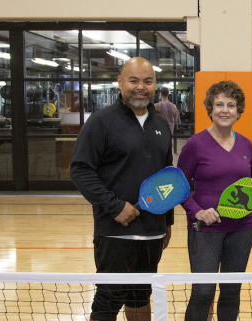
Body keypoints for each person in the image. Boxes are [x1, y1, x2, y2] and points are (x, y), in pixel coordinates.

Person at [69, 57, 174, 321]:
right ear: (120, 82)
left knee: (140, 296)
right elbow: (80, 169)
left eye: (148, 81)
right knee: (108, 299)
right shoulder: (101, 122)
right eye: (134, 80)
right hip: (114, 232)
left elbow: (166, 177)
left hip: (152, 232)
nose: (141, 87)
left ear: (155, 85)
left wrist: (167, 221)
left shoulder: (161, 125)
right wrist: (115, 207)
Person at [177, 80, 252, 321]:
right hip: (206, 230)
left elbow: (251, 183)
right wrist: (197, 211)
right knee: (203, 292)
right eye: (219, 104)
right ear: (210, 109)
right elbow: (179, 186)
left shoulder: (247, 144)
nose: (225, 110)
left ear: (238, 112)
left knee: (231, 291)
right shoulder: (195, 145)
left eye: (231, 105)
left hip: (242, 228)